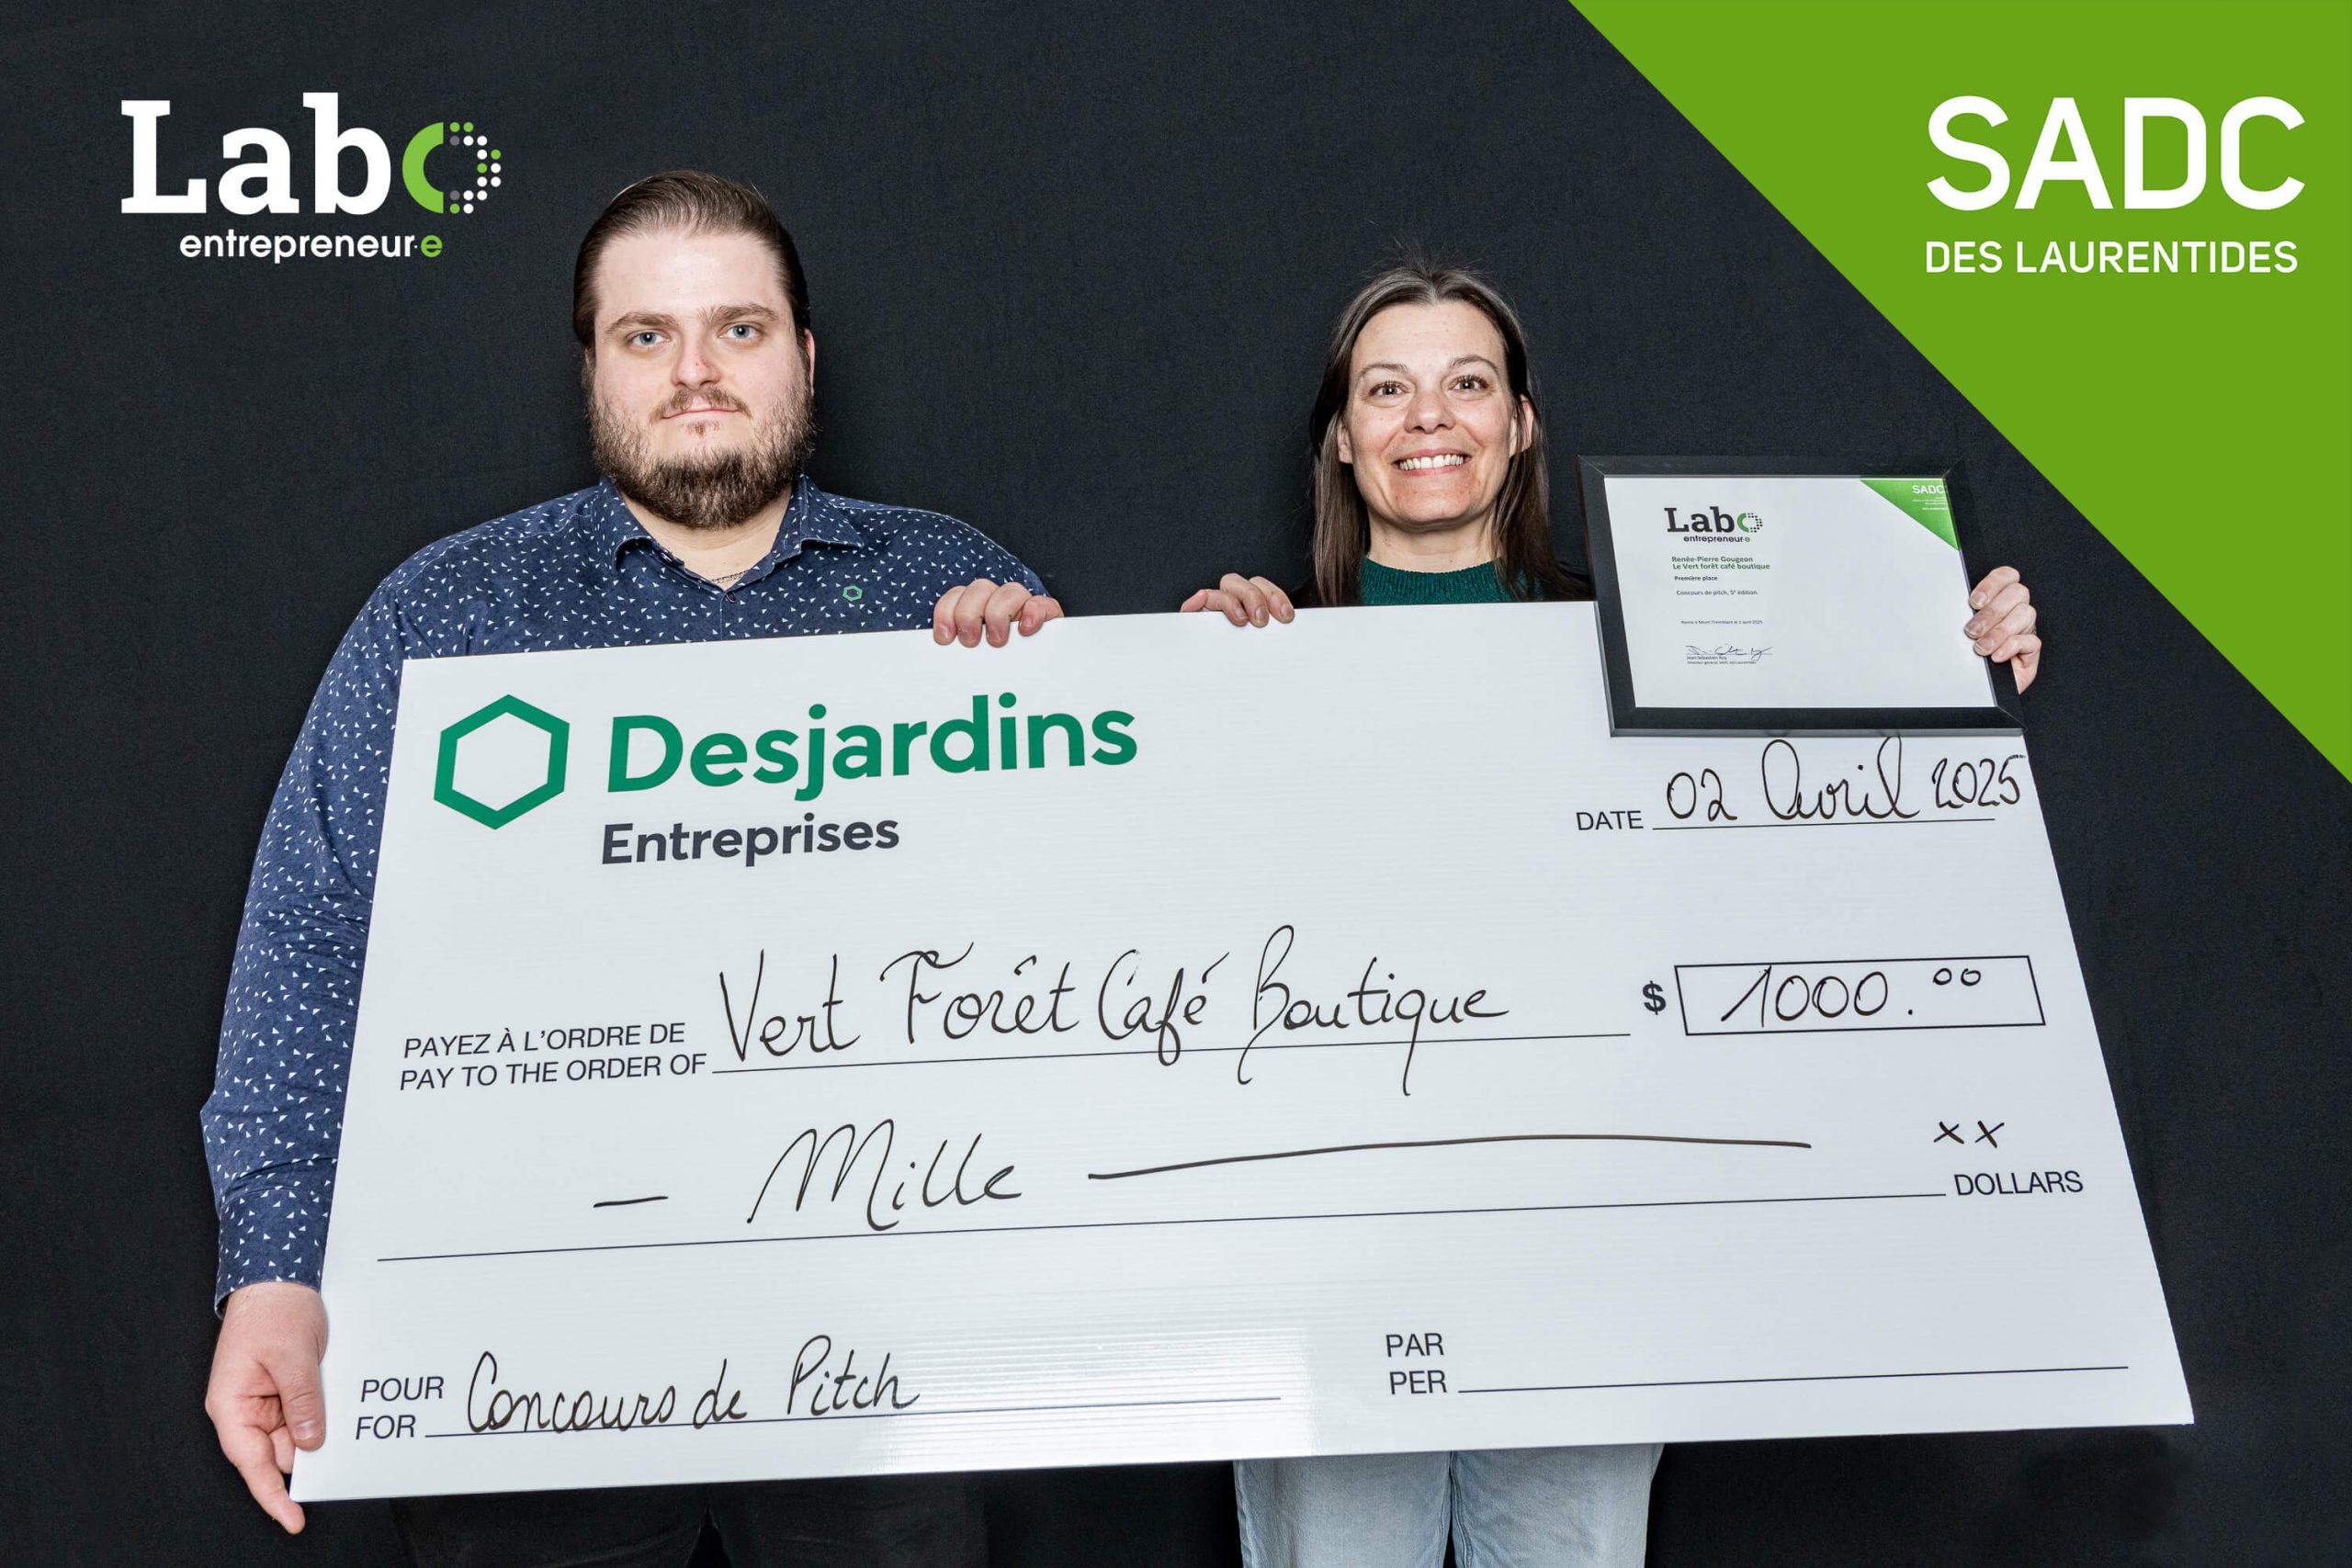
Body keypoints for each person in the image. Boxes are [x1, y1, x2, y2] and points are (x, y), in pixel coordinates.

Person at [199, 170, 1050, 1565]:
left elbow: (1077, 938)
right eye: (647, 335)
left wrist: (1069, 697)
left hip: (880, 1352)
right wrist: (274, 1273)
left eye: (739, 329)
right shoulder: (445, 617)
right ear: (592, 368)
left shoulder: (950, 597)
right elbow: (311, 948)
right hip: (520, 1359)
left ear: (805, 357)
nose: (695, 371)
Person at [1181, 258, 2041, 1568]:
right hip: (1341, 1242)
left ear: (1521, 424)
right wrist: (1179, 692)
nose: (1430, 417)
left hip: (1587, 1236)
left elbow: (1816, 842)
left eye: (1469, 383)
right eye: (1388, 389)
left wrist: (1946, 643)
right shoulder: (1250, 652)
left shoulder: (1661, 643)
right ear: (1342, 439)